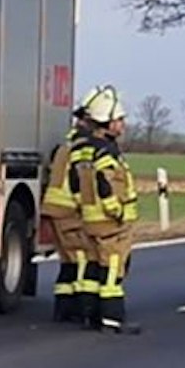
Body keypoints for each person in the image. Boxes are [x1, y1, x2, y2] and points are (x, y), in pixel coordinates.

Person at [71, 87, 142, 334]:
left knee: (91, 267)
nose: (122, 124)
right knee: (112, 268)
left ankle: (89, 315)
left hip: (90, 218)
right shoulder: (105, 150)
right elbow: (105, 179)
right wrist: (116, 210)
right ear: (107, 123)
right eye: (119, 120)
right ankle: (112, 319)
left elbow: (75, 182)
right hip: (109, 222)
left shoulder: (83, 148)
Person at [42, 89, 105, 324]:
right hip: (69, 211)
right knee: (82, 259)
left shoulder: (68, 145)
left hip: (56, 209)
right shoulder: (83, 150)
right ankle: (83, 308)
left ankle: (64, 308)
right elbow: (82, 184)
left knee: (69, 261)